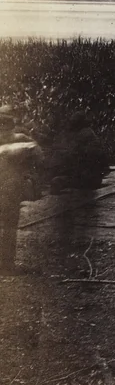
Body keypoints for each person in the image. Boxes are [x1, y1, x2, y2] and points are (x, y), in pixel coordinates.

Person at [0, 108, 44, 272]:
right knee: (10, 225)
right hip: (11, 188)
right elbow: (40, 159)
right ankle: (6, 264)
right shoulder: (23, 141)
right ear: (12, 123)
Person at [46, 111, 109, 192]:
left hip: (88, 179)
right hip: (93, 177)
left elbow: (73, 154)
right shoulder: (88, 133)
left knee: (56, 181)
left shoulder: (83, 135)